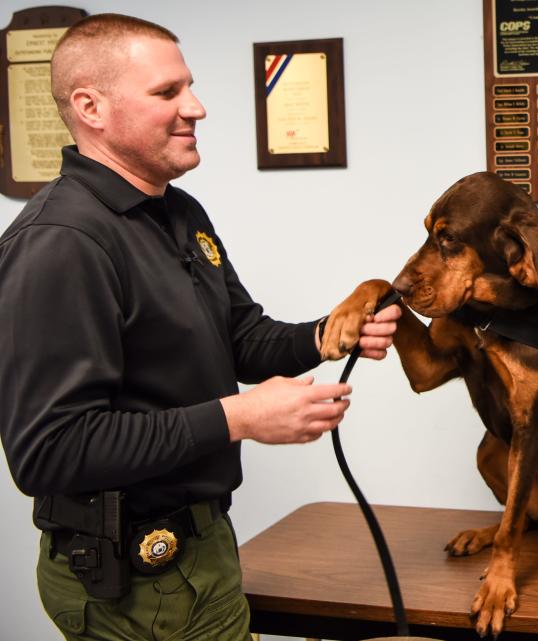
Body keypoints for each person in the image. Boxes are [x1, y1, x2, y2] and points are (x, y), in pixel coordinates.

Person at [0, 13, 400, 641]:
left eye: (189, 86)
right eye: (167, 93)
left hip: (201, 547)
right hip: (134, 577)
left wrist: (329, 334)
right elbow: (51, 451)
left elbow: (239, 337)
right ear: (90, 108)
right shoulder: (61, 243)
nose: (197, 107)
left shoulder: (178, 210)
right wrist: (239, 418)